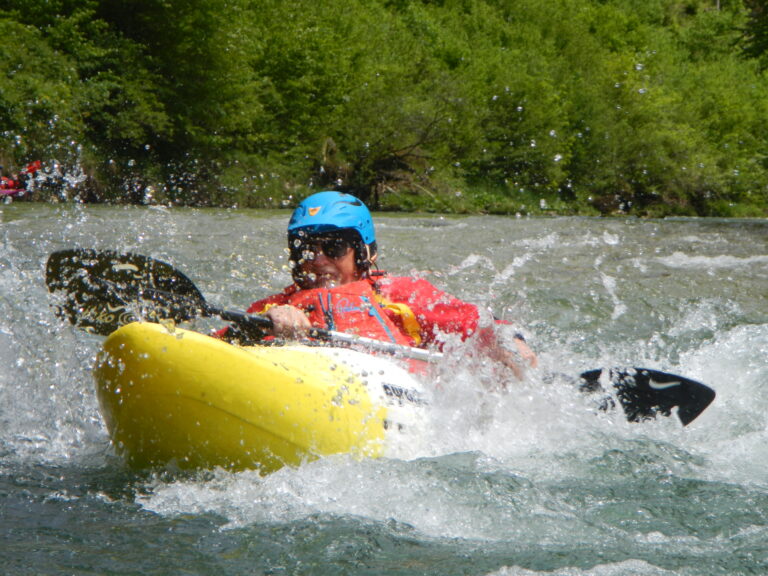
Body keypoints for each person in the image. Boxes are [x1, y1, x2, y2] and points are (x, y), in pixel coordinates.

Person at [219, 191, 537, 379]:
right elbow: (217, 348)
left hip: (393, 395)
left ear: (363, 252)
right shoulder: (277, 305)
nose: (317, 260)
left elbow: (476, 324)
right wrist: (262, 326)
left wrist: (513, 343)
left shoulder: (398, 293)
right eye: (306, 249)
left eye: (333, 247)